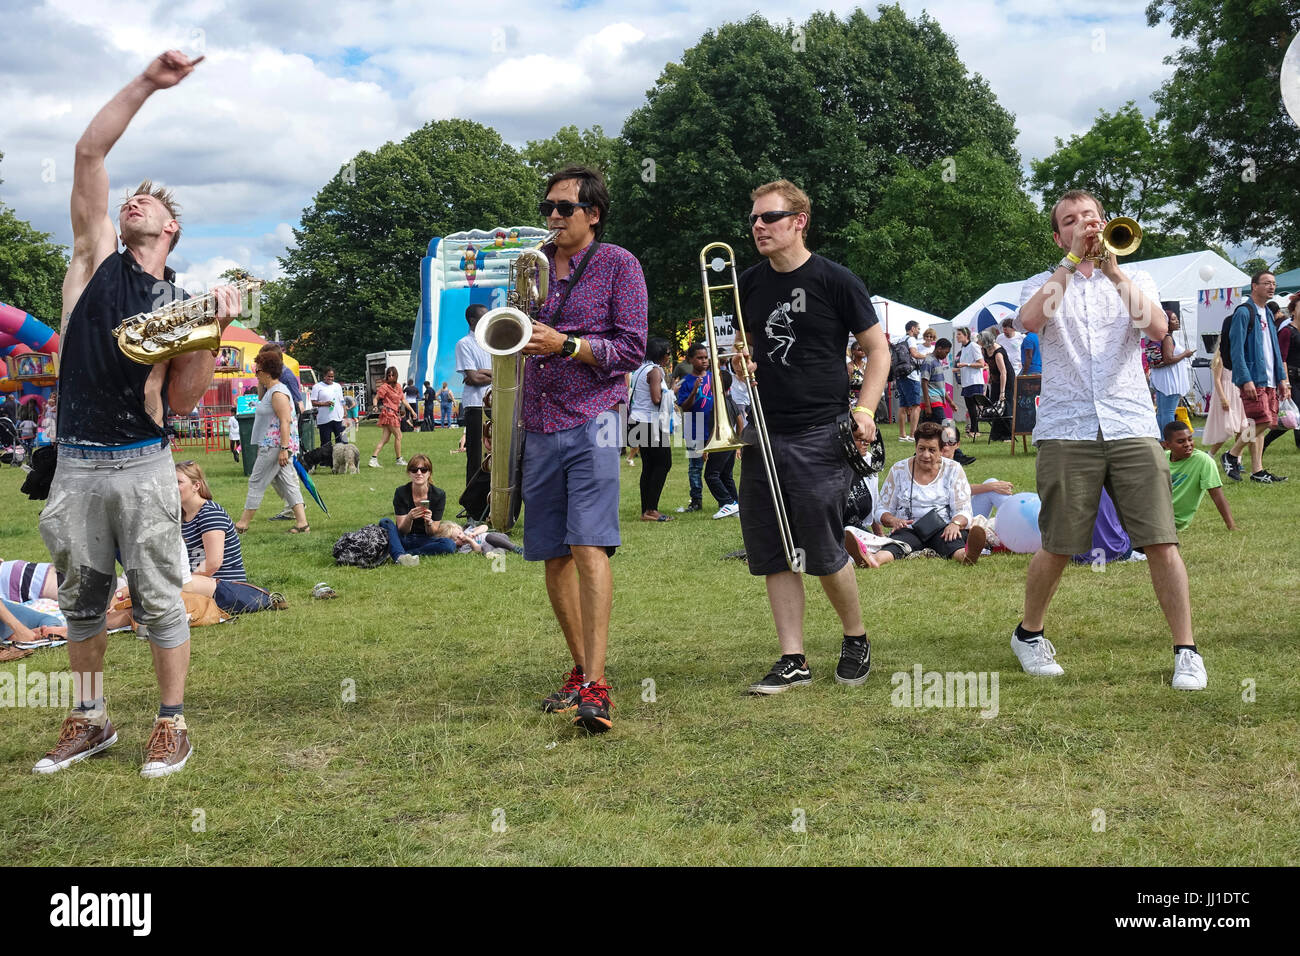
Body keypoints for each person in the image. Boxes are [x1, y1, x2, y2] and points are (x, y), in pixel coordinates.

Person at [34, 49, 241, 779]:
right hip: (80, 462)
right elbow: (89, 150)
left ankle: (170, 726)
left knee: (158, 599)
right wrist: (150, 84)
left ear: (172, 229)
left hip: (143, 464)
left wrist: (214, 332)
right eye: (132, 197)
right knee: (83, 605)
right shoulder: (93, 260)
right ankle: (90, 720)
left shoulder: (179, 308)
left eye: (151, 201)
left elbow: (180, 400)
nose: (135, 201)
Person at [1012, 187, 1204, 691]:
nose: (1086, 225)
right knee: (1058, 542)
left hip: (1131, 421)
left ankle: (1186, 650)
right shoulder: (1044, 281)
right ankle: (1028, 635)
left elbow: (1158, 328)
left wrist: (1114, 269)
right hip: (1066, 426)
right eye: (1071, 220)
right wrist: (1072, 263)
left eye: (1092, 217)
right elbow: (1029, 323)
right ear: (1058, 234)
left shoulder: (1134, 275)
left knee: (1161, 539)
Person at [736, 178, 890, 694]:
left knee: (822, 548)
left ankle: (855, 636)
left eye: (770, 217)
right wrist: (742, 365)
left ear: (798, 221)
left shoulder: (835, 279)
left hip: (822, 430)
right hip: (762, 431)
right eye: (755, 218)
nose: (758, 226)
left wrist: (865, 410)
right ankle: (792, 657)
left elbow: (878, 350)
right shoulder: (750, 283)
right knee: (773, 549)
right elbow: (748, 346)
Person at [518, 164, 647, 733]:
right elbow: (513, 335)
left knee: (589, 544)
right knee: (553, 553)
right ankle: (578, 669)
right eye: (547, 207)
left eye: (563, 208)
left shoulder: (620, 265)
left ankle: (597, 683)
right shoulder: (534, 267)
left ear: (592, 214)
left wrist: (567, 345)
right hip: (537, 420)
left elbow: (632, 348)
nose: (552, 217)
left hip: (594, 420)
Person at [846, 421, 985, 568]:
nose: (925, 455)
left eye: (932, 450)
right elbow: (881, 509)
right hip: (909, 528)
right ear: (915, 447)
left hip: (943, 527)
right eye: (921, 449)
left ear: (941, 450)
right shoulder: (898, 469)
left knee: (952, 541)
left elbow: (963, 508)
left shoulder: (954, 469)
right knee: (897, 545)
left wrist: (955, 524)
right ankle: (872, 560)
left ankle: (967, 556)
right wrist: (894, 521)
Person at [176, 461, 284, 612]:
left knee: (169, 586)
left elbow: (213, 563)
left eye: (179, 482)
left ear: (196, 486)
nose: (172, 487)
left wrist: (186, 580)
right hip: (200, 581)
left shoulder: (210, 513)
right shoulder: (179, 516)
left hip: (226, 586)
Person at [234, 349, 310, 534]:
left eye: (257, 370)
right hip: (275, 445)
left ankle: (242, 524)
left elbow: (285, 421)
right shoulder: (271, 390)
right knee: (287, 483)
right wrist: (263, 381)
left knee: (256, 481)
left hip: (275, 446)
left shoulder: (278, 393)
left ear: (267, 372)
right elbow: (261, 396)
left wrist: (284, 449)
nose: (255, 373)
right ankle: (302, 524)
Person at [1226, 271, 1292, 483]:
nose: (1272, 287)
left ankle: (1257, 470)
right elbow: (1237, 350)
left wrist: (1282, 379)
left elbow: (1274, 350)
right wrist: (1245, 379)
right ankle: (1232, 454)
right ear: (1254, 286)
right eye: (1267, 283)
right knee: (1264, 421)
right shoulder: (1244, 312)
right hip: (1254, 378)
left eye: (1274, 283)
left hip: (1271, 379)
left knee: (1260, 424)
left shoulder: (1268, 314)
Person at [628, 335, 675, 521]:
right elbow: (656, 399)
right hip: (650, 422)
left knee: (648, 466)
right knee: (664, 464)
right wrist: (673, 393)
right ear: (660, 354)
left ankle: (646, 510)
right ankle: (652, 509)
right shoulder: (655, 371)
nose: (669, 357)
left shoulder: (640, 368)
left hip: (637, 421)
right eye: (668, 353)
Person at [379, 454, 453, 566]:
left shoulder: (438, 495)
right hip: (404, 537)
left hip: (425, 539)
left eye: (423, 470)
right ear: (409, 473)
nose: (419, 473)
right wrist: (409, 518)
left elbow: (432, 532)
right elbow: (402, 530)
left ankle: (404, 554)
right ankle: (400, 557)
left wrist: (428, 522)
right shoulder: (401, 492)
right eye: (414, 470)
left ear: (429, 473)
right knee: (385, 522)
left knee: (449, 544)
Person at [1164, 421, 1236, 532]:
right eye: (1180, 441)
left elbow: (1217, 496)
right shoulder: (1162, 458)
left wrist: (1232, 526)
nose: (1188, 444)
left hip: (1172, 521)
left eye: (1190, 439)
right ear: (1167, 445)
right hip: (1155, 514)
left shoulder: (1203, 461)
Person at [455, 304, 492, 483]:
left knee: (493, 452)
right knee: (476, 456)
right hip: (476, 405)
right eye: (484, 318)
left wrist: (483, 372)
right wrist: (497, 375)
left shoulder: (493, 343)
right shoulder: (464, 344)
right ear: (472, 321)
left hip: (495, 403)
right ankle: (473, 501)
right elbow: (474, 379)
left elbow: (477, 376)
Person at [674, 342, 711, 513]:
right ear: (690, 360)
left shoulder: (713, 377)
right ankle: (696, 500)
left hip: (711, 426)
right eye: (699, 358)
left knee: (717, 467)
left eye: (705, 357)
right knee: (695, 467)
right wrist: (694, 390)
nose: (704, 361)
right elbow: (684, 406)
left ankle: (726, 498)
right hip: (693, 427)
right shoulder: (685, 382)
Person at [1147, 306, 1195, 436]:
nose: (1177, 321)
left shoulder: (1160, 337)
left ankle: (1161, 438)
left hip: (1164, 380)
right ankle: (1168, 439)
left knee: (1162, 412)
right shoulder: (1167, 338)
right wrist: (1185, 354)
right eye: (1173, 319)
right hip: (1170, 382)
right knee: (1168, 412)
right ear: (1166, 323)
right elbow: (1168, 359)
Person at [1262, 293, 1300, 453]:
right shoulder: (1287, 331)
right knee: (1291, 415)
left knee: (1294, 416)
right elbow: (1281, 358)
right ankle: (1264, 442)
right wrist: (1286, 383)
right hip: (1292, 377)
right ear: (1293, 310)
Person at [704, 366, 741, 519]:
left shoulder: (719, 403)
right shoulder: (731, 401)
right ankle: (737, 504)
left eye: (713, 382)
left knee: (711, 475)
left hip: (721, 444)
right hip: (731, 443)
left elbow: (716, 427)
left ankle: (728, 503)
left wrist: (707, 447)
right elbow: (740, 423)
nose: (710, 384)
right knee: (726, 475)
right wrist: (737, 443)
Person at [368, 365, 414, 468]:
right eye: (389, 375)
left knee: (385, 439)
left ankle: (373, 459)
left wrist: (412, 411)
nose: (390, 377)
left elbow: (403, 400)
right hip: (388, 414)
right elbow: (376, 398)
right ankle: (399, 459)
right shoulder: (384, 387)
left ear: (396, 375)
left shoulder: (398, 386)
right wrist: (375, 406)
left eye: (392, 375)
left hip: (393, 413)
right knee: (399, 436)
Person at [978, 327, 1016, 441]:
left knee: (1005, 404)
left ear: (986, 341)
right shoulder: (984, 350)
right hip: (995, 378)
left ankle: (1008, 434)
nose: (978, 343)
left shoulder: (998, 352)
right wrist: (989, 381)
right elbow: (990, 366)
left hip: (1006, 379)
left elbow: (1003, 372)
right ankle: (996, 434)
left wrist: (1002, 391)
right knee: (994, 404)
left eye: (980, 340)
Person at [894, 319, 925, 442]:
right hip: (911, 375)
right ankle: (913, 435)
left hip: (900, 374)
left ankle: (902, 435)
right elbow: (914, 354)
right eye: (918, 328)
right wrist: (928, 356)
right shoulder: (911, 339)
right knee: (916, 406)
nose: (919, 331)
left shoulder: (900, 340)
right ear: (912, 328)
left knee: (903, 406)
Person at [954, 326, 986, 438]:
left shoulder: (974, 346)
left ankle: (975, 430)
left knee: (973, 407)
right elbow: (965, 365)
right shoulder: (963, 349)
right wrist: (956, 369)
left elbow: (981, 364)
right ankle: (973, 429)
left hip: (975, 381)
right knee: (969, 407)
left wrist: (965, 365)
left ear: (966, 335)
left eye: (959, 334)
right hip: (966, 382)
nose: (957, 337)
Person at [310, 367, 346, 448]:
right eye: (328, 376)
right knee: (326, 444)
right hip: (324, 419)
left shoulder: (337, 386)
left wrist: (345, 410)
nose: (330, 378)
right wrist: (324, 404)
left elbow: (342, 400)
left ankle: (341, 459)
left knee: (342, 442)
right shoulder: (317, 387)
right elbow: (313, 402)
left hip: (338, 418)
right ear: (324, 376)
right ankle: (326, 460)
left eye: (332, 376)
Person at [919, 337, 952, 426]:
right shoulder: (928, 361)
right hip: (932, 400)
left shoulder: (937, 362)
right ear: (939, 349)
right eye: (946, 352)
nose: (946, 355)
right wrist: (927, 405)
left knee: (929, 427)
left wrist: (950, 402)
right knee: (946, 425)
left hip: (937, 399)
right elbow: (924, 382)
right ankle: (952, 439)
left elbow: (940, 386)